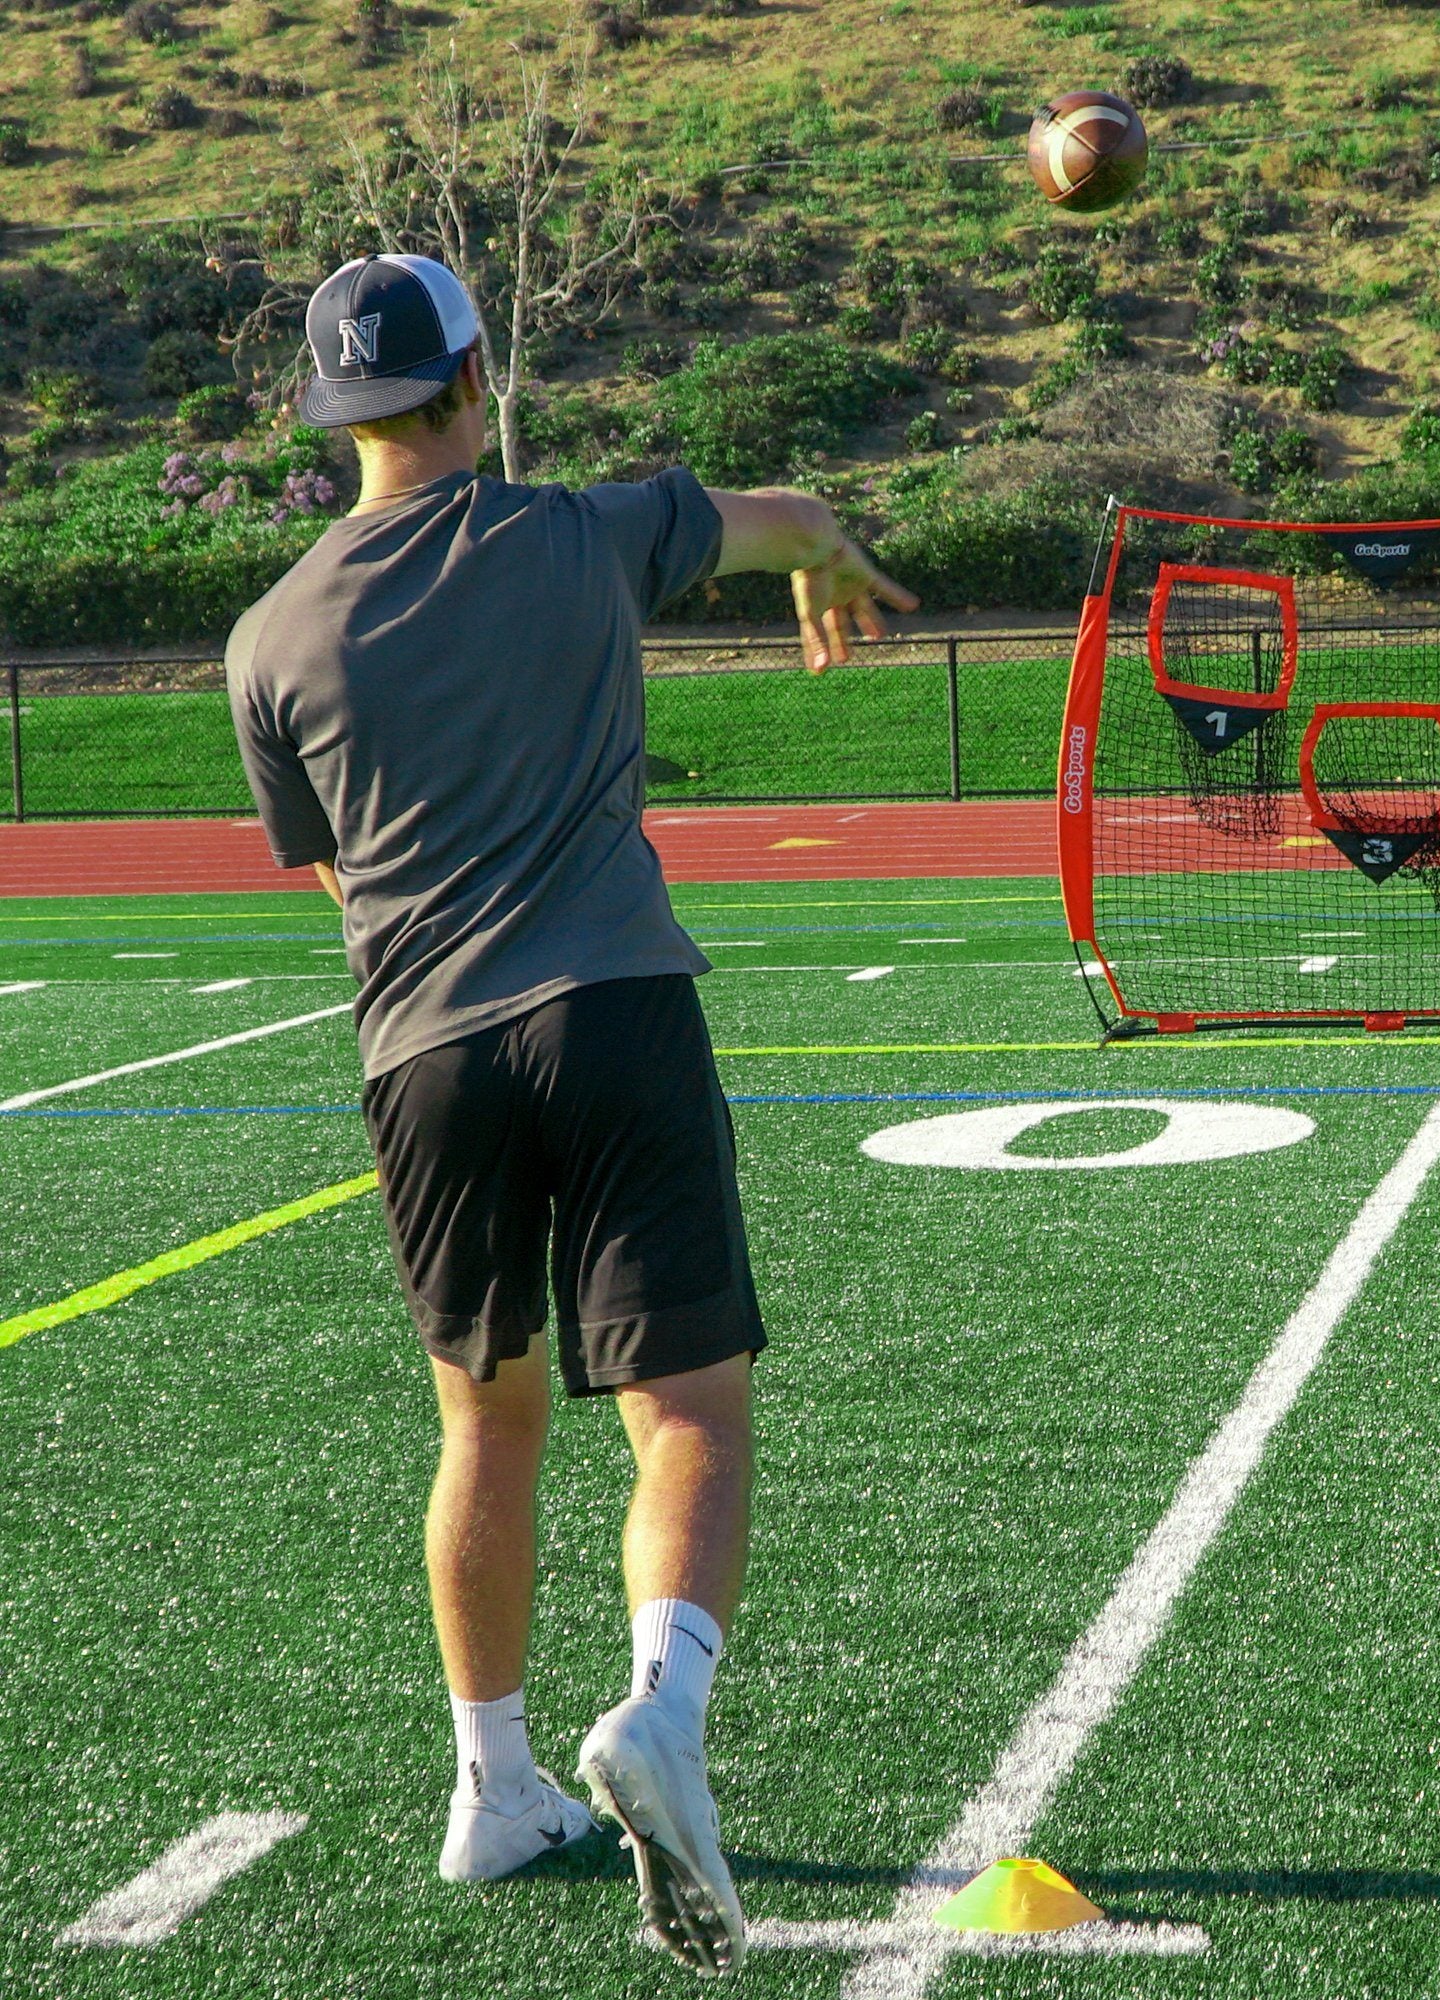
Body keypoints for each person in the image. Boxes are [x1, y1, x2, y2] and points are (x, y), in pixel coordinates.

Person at [225, 253, 915, 1977]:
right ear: (480, 385)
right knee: (683, 1405)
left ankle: (493, 1785)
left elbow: (331, 881)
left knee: (486, 1421)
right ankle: (662, 1715)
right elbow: (780, 516)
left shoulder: (267, 637)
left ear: (336, 414)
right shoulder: (581, 535)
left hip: (421, 1058)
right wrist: (824, 555)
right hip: (610, 1004)